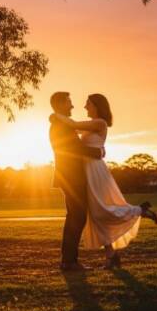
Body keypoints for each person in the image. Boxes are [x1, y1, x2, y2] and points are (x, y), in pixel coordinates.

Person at [51, 93, 157, 269]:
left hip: (95, 171)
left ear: (97, 106)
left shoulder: (98, 123)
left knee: (101, 208)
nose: (83, 106)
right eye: (71, 102)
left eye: (88, 104)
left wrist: (55, 115)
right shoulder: (78, 126)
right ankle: (111, 256)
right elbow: (74, 138)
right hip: (84, 172)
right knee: (95, 211)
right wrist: (56, 117)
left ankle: (139, 210)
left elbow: (74, 127)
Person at [49, 91, 105, 271]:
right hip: (70, 176)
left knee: (76, 216)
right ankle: (69, 262)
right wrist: (98, 153)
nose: (72, 106)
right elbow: (75, 148)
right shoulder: (61, 126)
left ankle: (69, 260)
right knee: (76, 216)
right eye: (69, 103)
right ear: (60, 104)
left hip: (70, 176)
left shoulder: (62, 124)